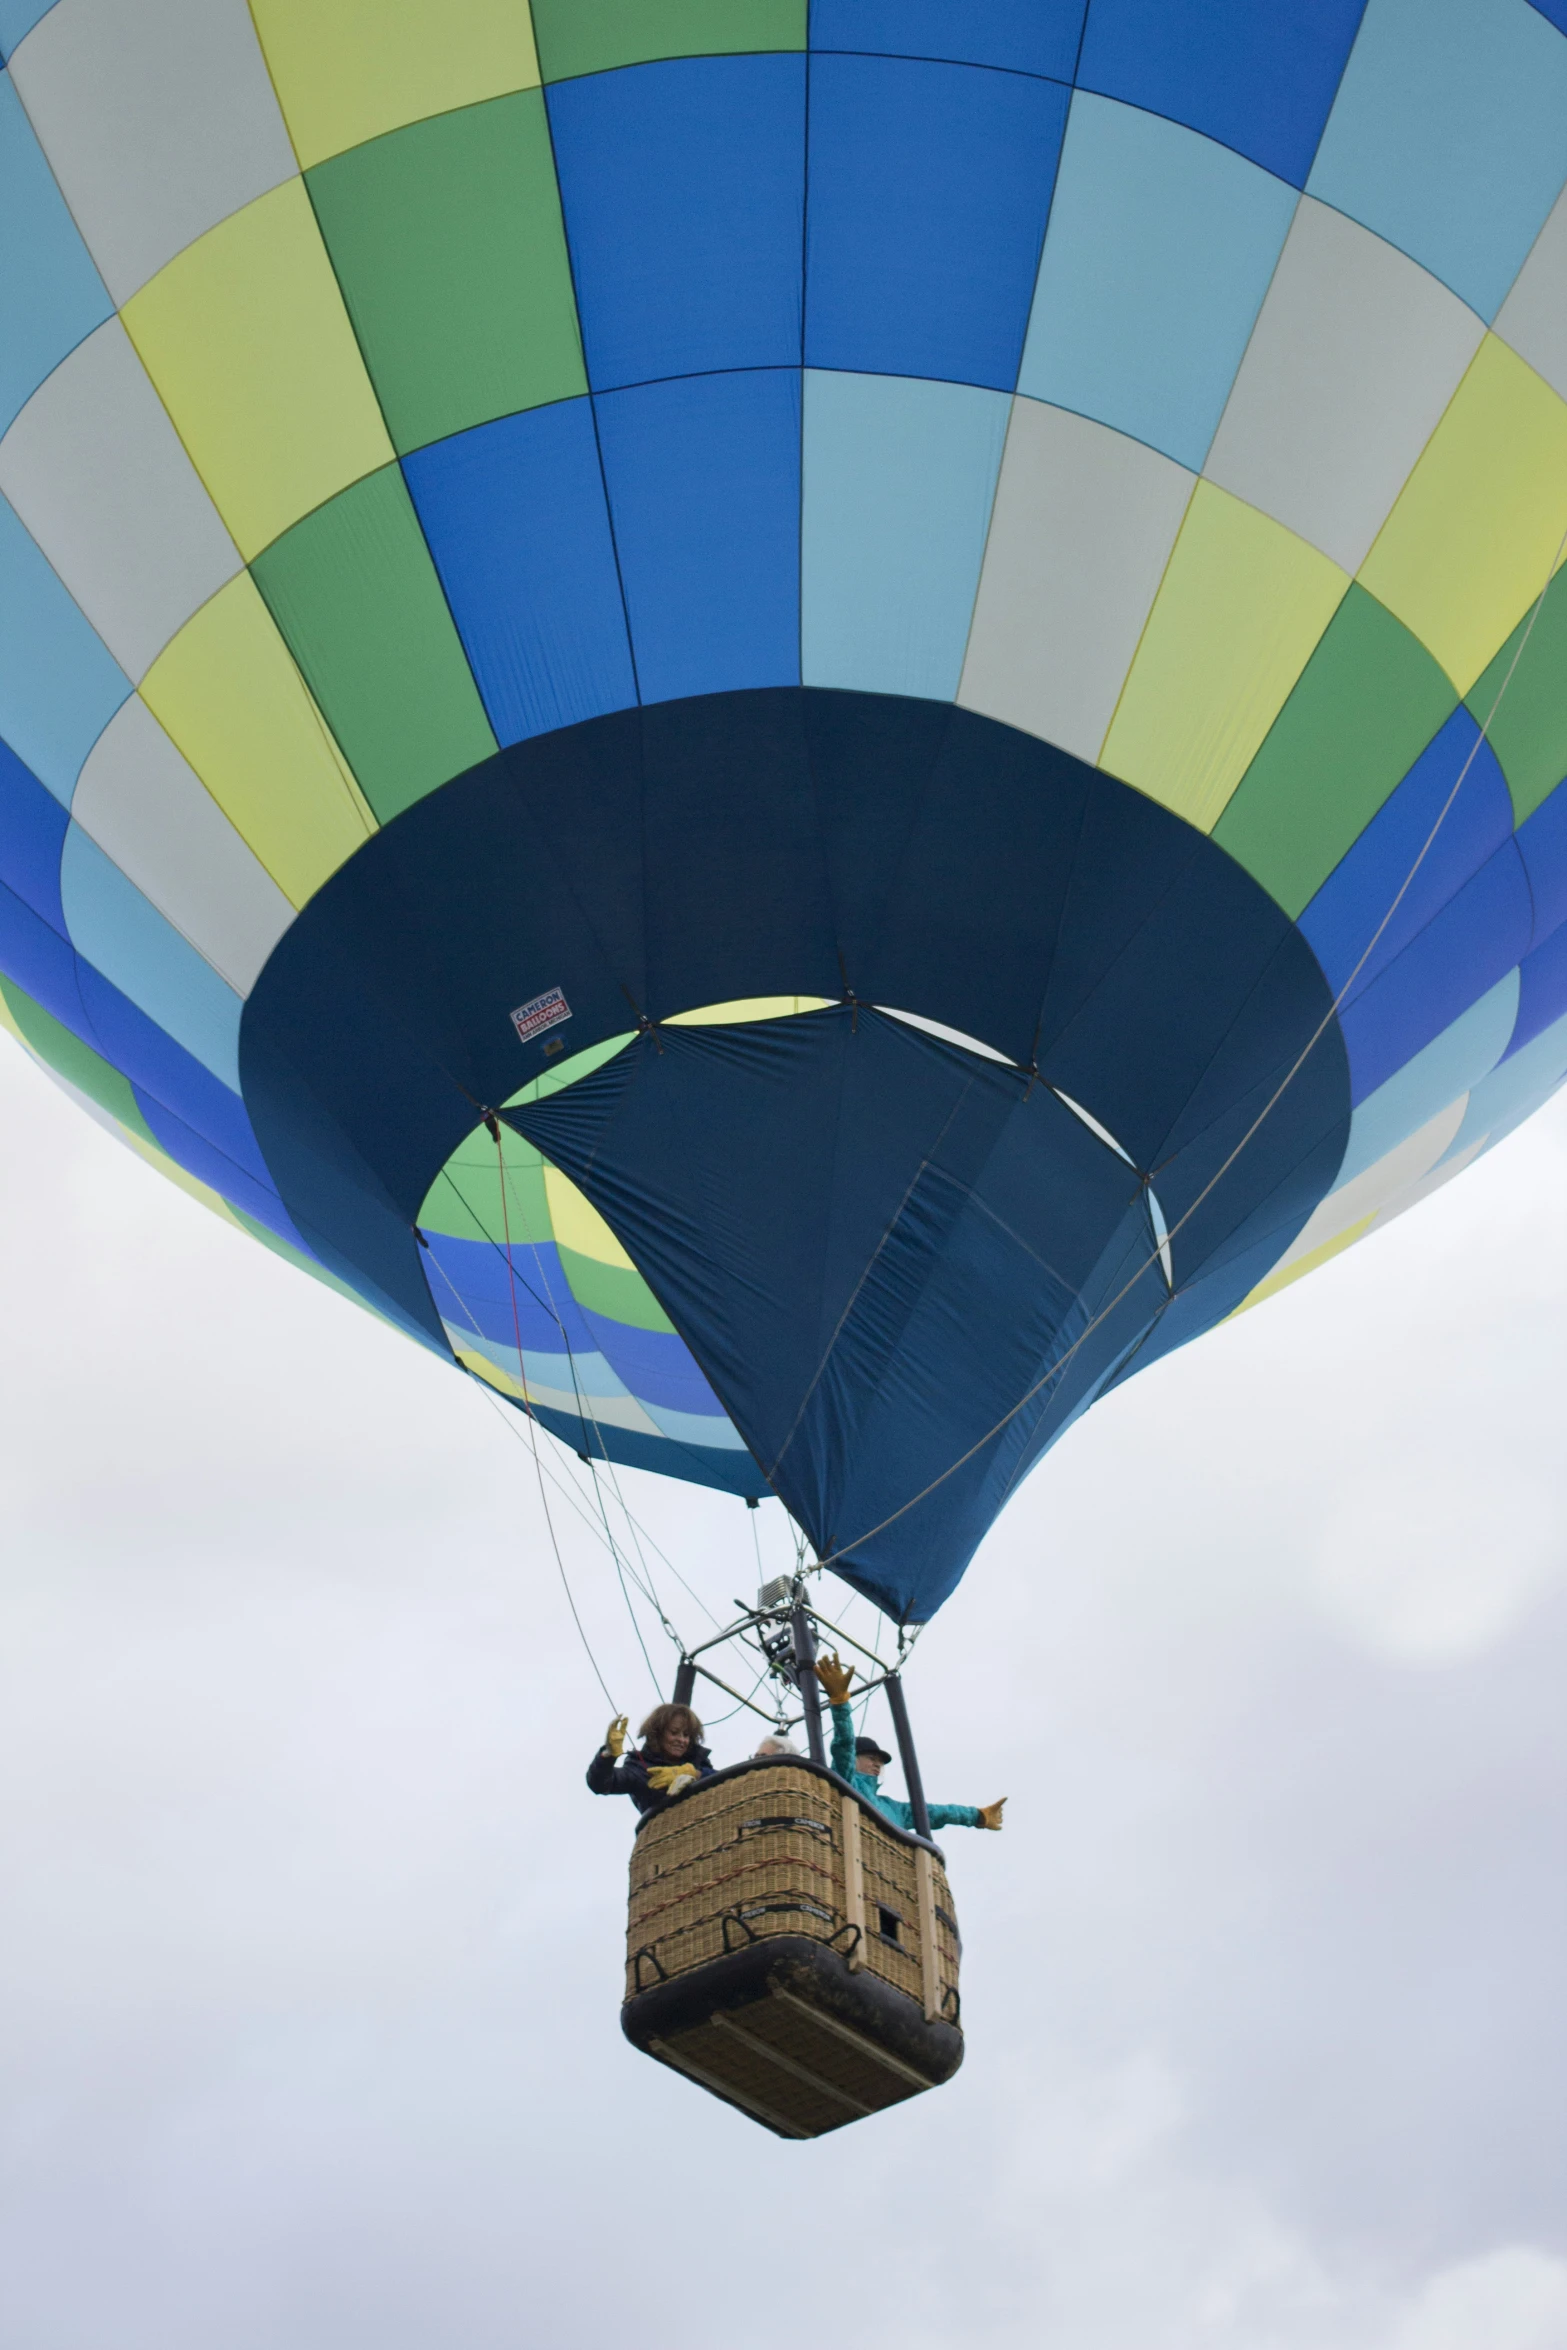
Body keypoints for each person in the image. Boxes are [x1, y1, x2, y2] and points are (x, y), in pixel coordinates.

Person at [811, 1654, 1005, 1834]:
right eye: (871, 1758)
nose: (877, 1764)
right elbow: (843, 1745)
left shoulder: (892, 1808)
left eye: (880, 1762)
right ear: (853, 1759)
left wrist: (977, 1816)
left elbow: (935, 1813)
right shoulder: (845, 1782)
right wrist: (840, 1703)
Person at [586, 1703, 714, 1817]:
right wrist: (607, 1756)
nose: (681, 1740)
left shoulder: (697, 1762)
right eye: (674, 1733)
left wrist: (695, 1774)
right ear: (657, 1733)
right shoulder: (639, 1768)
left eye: (686, 1735)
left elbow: (723, 1781)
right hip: (665, 1837)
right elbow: (599, 1784)